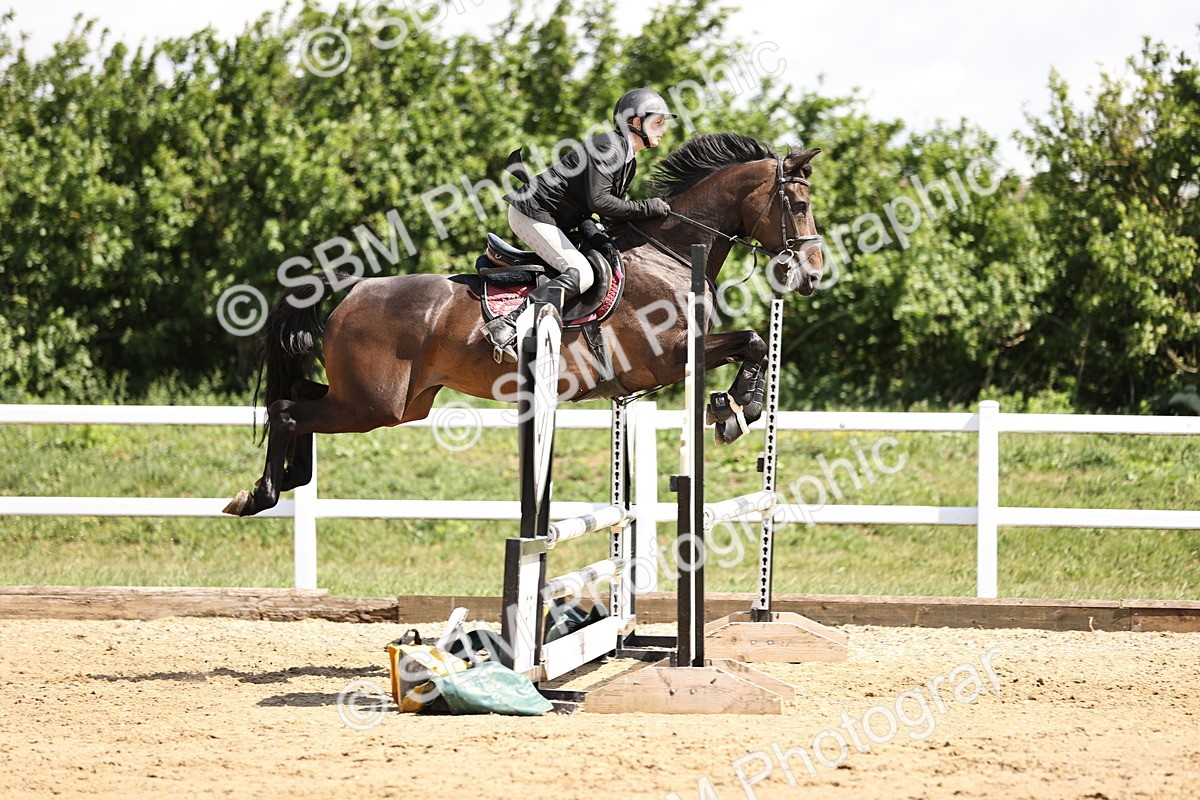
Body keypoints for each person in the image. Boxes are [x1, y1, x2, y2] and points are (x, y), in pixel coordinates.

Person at [481, 88, 677, 363]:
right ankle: (508, 324)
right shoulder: (608, 146)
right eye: (658, 122)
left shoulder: (628, 161)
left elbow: (606, 212)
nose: (663, 129)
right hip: (533, 213)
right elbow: (600, 202)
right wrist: (648, 208)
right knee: (582, 272)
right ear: (636, 123)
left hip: (559, 219)